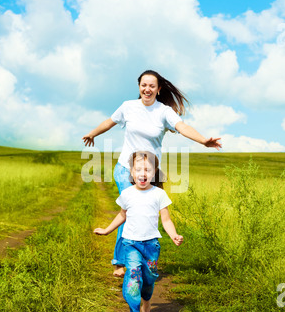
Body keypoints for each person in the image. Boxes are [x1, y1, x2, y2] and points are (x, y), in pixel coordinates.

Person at [83, 70, 221, 277]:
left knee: (148, 211)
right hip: (126, 169)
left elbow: (182, 127)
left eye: (152, 86)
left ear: (159, 89)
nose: (147, 89)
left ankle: (143, 255)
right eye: (143, 85)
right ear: (139, 87)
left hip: (151, 172)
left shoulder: (164, 112)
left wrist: (203, 140)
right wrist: (93, 133)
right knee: (130, 210)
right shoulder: (128, 107)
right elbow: (109, 122)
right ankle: (120, 261)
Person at [94, 151, 183, 312]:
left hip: (151, 246)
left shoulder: (159, 194)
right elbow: (121, 216)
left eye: (147, 170)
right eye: (138, 169)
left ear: (154, 173)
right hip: (131, 244)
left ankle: (147, 300)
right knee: (133, 277)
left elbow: (166, 220)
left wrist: (173, 235)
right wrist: (106, 230)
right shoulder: (127, 194)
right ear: (132, 173)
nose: (143, 173)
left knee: (149, 279)